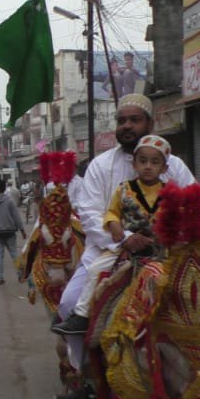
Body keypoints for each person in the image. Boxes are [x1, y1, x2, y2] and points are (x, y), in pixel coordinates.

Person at [54, 93, 200, 399]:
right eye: (121, 120)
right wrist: (124, 238)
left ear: (149, 124)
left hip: (167, 253)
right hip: (109, 252)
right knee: (70, 303)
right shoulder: (99, 166)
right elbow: (90, 213)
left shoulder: (174, 166)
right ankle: (89, 377)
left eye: (134, 120)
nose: (126, 126)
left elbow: (190, 207)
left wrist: (176, 234)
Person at [59, 135, 171, 334]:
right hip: (125, 247)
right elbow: (111, 211)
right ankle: (82, 314)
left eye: (154, 162)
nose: (148, 166)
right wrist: (114, 225)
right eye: (142, 161)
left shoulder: (170, 192)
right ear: (134, 165)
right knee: (95, 269)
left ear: (164, 168)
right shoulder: (124, 189)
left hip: (161, 250)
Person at [0, 179, 27, 286]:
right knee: (14, 254)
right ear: (4, 189)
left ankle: (0, 278)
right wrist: (22, 230)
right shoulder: (10, 201)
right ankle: (20, 275)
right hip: (10, 231)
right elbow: (16, 216)